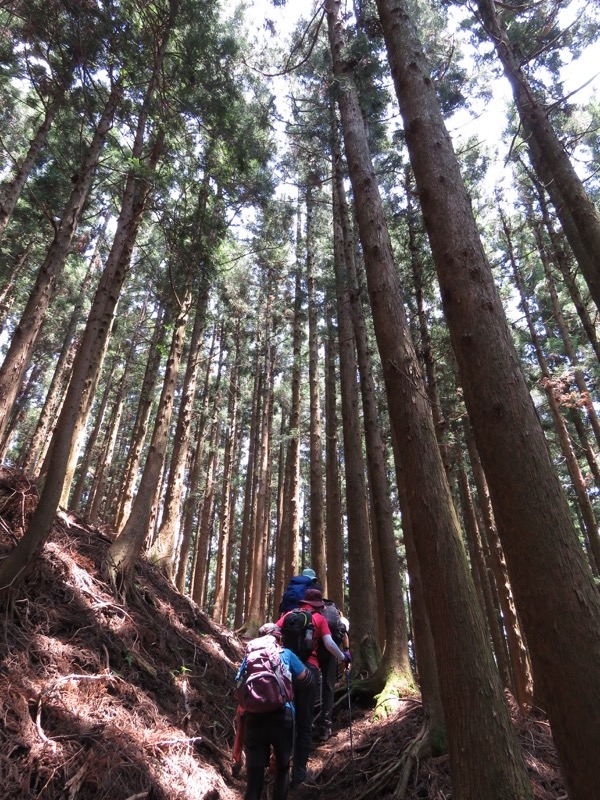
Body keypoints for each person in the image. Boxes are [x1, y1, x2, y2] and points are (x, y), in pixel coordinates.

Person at [277, 588, 351, 787]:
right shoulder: (319, 619)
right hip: (309, 670)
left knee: (286, 718)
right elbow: (328, 643)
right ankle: (299, 773)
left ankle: (281, 767)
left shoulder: (289, 616)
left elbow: (274, 632)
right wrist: (343, 656)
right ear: (319, 605)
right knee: (305, 721)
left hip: (286, 670)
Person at [238, 623, 316, 800]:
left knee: (253, 782)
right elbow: (307, 680)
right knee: (282, 770)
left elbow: (239, 683)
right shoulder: (285, 654)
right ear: (278, 638)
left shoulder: (250, 655)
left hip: (253, 719)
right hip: (283, 716)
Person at [316, 601, 349, 742]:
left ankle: (306, 722)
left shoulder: (311, 612)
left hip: (312, 650)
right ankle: (325, 725)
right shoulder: (336, 613)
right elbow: (344, 633)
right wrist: (346, 653)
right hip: (330, 652)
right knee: (328, 686)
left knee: (311, 682)